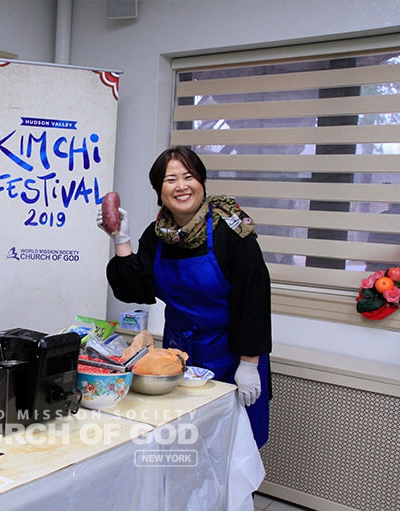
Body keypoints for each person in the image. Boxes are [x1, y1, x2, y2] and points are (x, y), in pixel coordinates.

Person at [98, 146, 271, 448]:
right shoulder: (157, 235)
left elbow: (254, 297)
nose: (181, 186)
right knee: (186, 443)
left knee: (233, 445)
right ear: (159, 190)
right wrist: (121, 241)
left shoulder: (230, 231)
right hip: (181, 355)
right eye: (170, 180)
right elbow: (134, 290)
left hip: (233, 352)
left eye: (188, 176)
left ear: (201, 182)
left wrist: (249, 363)